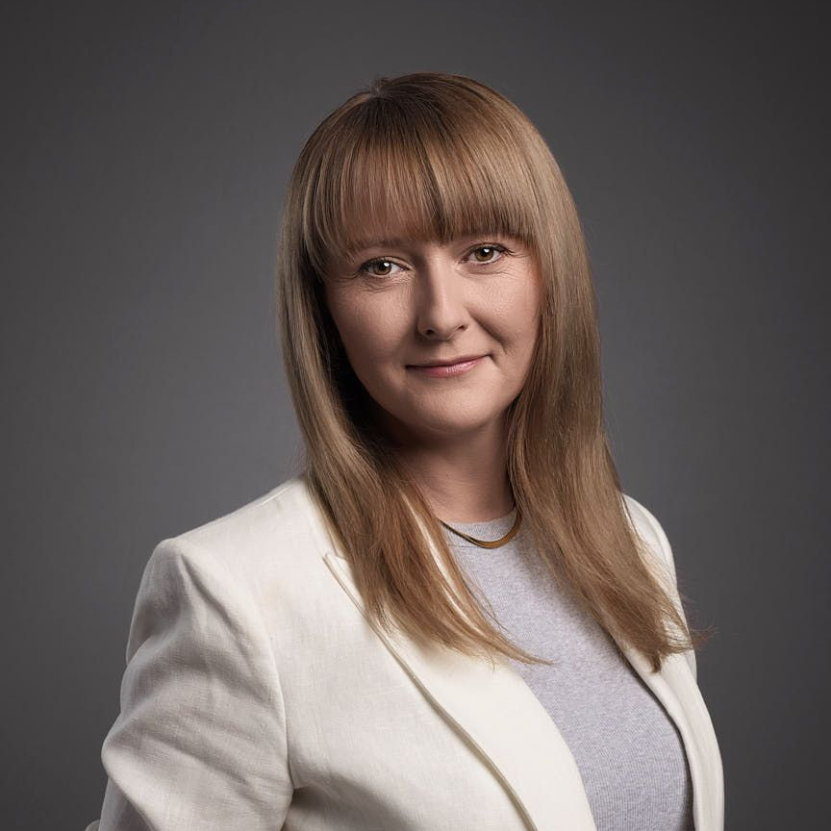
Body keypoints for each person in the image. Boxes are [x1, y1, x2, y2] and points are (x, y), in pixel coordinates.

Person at [84, 71, 724, 831]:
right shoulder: (233, 592)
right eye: (380, 266)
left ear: (550, 274)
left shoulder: (629, 538)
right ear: (324, 308)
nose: (440, 314)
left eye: (483, 251)